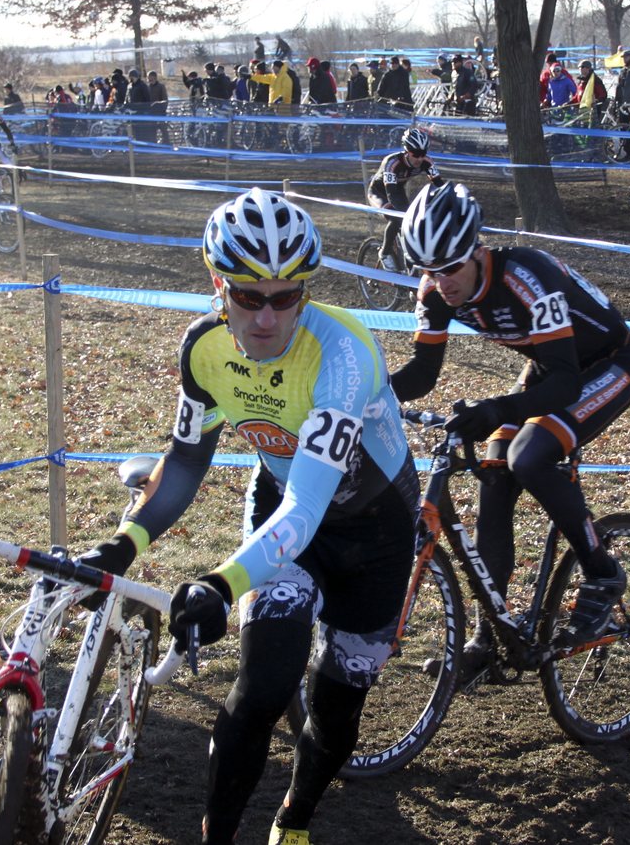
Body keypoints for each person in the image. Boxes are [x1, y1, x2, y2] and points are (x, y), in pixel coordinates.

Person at [76, 188, 417, 845]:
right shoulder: (204, 351)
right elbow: (183, 466)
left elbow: (310, 503)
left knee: (337, 709)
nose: (266, 317)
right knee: (261, 687)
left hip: (374, 533)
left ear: (305, 292)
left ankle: (294, 821)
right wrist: (123, 546)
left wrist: (219, 584)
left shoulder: (343, 353)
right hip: (287, 528)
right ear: (216, 284)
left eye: (286, 297)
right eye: (247, 296)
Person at [392, 181, 630, 675]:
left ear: (476, 250)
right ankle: (491, 637)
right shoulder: (435, 291)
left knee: (527, 455)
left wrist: (493, 409)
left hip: (607, 365)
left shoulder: (528, 275)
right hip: (549, 366)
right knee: (493, 471)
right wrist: (363, 393)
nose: (440, 282)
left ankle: (602, 574)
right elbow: (420, 376)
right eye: (427, 270)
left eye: (449, 268)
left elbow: (567, 384)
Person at [367, 128, 442, 271]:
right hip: (379, 192)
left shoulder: (426, 162)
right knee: (397, 218)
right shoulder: (392, 163)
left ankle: (408, 269)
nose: (420, 158)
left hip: (398, 190)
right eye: (416, 154)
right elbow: (391, 194)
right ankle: (385, 252)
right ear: (407, 151)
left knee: (411, 228)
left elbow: (440, 185)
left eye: (423, 153)